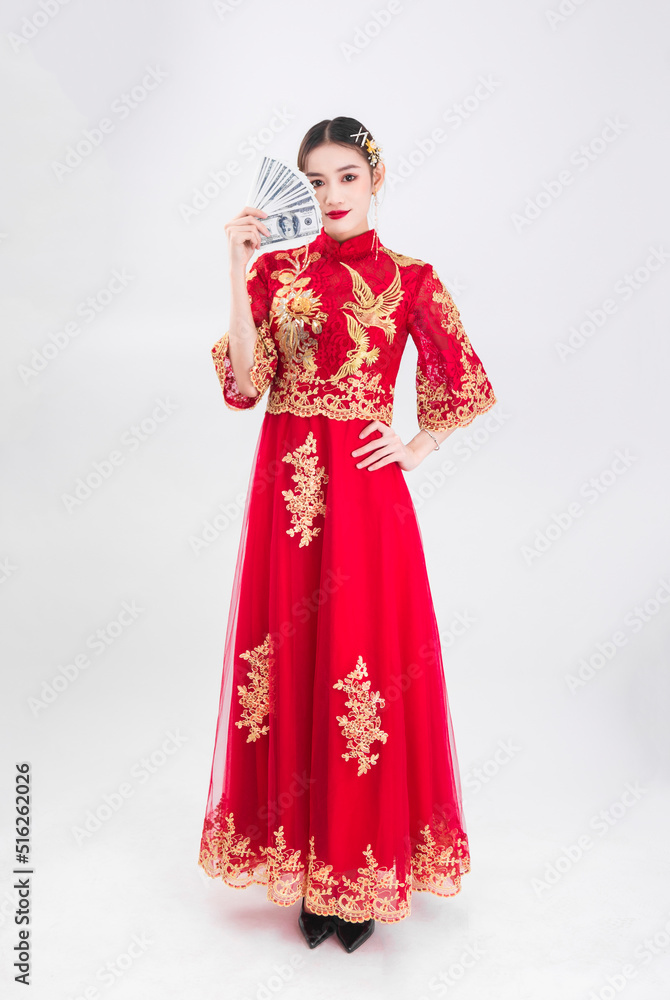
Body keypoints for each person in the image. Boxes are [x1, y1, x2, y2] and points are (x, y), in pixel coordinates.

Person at [197, 116, 497, 954]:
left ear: (376, 178)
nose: (331, 195)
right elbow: (245, 385)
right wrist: (236, 270)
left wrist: (416, 445)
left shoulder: (411, 279)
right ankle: (303, 868)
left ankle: (356, 874)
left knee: (360, 666)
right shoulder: (277, 272)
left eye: (346, 177)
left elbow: (464, 381)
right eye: (315, 181)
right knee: (289, 661)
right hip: (286, 495)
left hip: (366, 497)